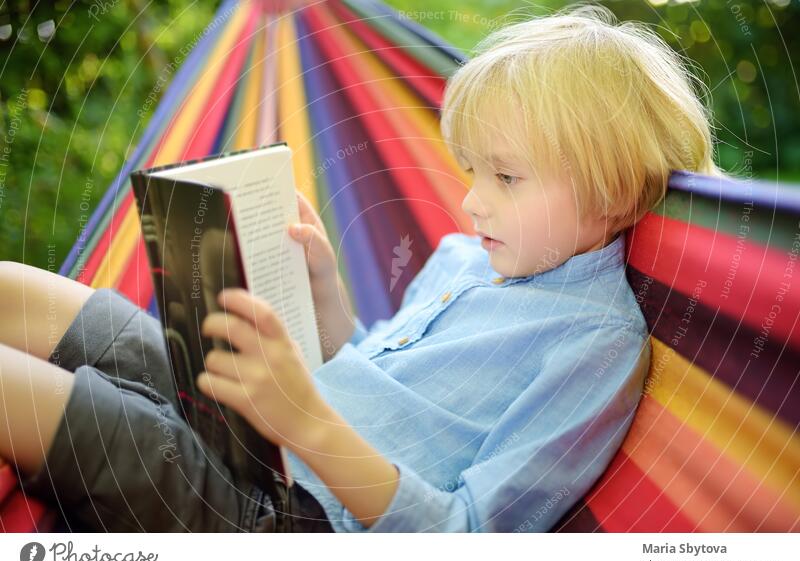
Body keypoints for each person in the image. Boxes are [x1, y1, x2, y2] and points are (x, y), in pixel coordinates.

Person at [0, 5, 718, 532]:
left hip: (288, 518)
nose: (471, 201)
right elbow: (381, 383)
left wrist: (304, 421)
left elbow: (464, 538)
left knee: (50, 401)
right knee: (40, 299)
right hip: (261, 426)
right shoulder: (467, 258)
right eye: (470, 170)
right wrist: (325, 300)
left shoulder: (594, 347)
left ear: (617, 191)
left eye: (506, 177)